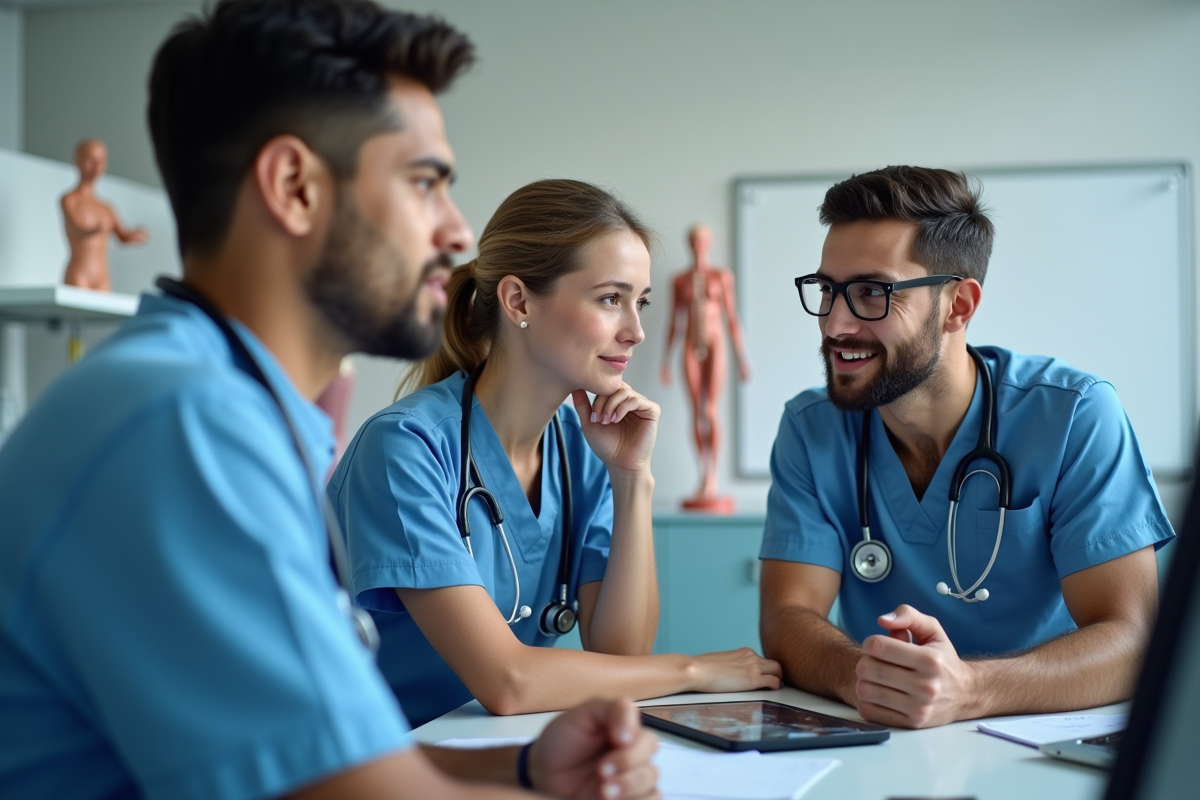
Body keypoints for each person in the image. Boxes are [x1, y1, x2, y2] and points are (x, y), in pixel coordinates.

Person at [0, 2, 660, 799]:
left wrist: (519, 765)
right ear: (294, 187)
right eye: (425, 183)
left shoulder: (236, 407)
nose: (456, 235)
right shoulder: (183, 423)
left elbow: (310, 756)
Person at [329, 179, 782, 727]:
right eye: (610, 299)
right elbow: (508, 682)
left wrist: (632, 479)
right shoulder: (405, 447)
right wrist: (693, 670)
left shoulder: (580, 447)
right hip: (367, 762)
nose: (637, 331)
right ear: (519, 300)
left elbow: (621, 658)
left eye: (639, 302)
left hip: (491, 753)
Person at [758, 166, 1174, 730]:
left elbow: (1132, 639)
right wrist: (872, 677)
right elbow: (788, 616)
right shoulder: (812, 427)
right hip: (889, 735)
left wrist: (969, 689)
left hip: (1043, 732)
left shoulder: (1074, 416)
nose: (835, 323)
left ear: (958, 306)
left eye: (871, 293)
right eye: (827, 291)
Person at [659, 224, 750, 508]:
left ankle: (712, 475)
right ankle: (702, 472)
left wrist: (742, 359)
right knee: (695, 411)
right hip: (689, 345)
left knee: (709, 409)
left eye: (701, 240)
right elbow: (674, 320)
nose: (697, 245)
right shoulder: (680, 280)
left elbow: (732, 319)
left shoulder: (721, 276)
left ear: (708, 243)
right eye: (693, 240)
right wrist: (664, 360)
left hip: (715, 343)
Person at [61, 138, 149, 291]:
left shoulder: (107, 208)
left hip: (102, 275)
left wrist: (134, 235)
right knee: (77, 314)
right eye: (92, 159)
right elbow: (79, 229)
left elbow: (123, 237)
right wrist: (95, 229)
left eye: (101, 160)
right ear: (78, 160)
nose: (97, 166)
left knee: (102, 314)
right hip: (80, 272)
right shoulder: (70, 200)